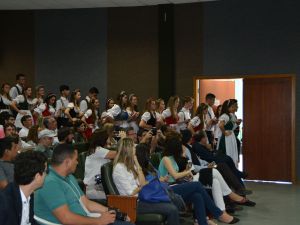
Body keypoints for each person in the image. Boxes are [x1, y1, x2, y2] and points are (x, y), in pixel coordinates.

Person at [34, 143, 133, 225]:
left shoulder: (68, 177)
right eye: (76, 159)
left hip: (85, 218)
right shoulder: (50, 183)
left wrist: (113, 211)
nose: (77, 163)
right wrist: (98, 221)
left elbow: (86, 203)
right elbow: (66, 218)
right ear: (67, 162)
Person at [113, 138, 181, 225]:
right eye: (133, 147)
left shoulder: (131, 164)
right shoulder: (119, 168)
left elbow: (141, 182)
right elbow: (130, 193)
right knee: (172, 209)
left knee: (171, 201)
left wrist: (137, 162)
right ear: (127, 150)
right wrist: (143, 185)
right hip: (132, 203)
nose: (135, 148)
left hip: (140, 199)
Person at [0, 151, 47, 225]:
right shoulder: (4, 203)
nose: (46, 175)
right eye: (46, 171)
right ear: (37, 176)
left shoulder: (28, 194)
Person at [84, 129, 117, 200]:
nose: (110, 139)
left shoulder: (99, 150)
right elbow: (119, 154)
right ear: (103, 139)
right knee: (116, 197)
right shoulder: (97, 150)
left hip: (99, 186)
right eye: (108, 137)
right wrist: (124, 140)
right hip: (92, 188)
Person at [217, 99, 240, 166]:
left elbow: (231, 128)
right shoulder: (225, 116)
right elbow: (221, 125)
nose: (236, 108)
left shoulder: (232, 115)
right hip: (226, 139)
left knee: (232, 152)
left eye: (236, 106)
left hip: (231, 136)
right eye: (234, 106)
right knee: (227, 152)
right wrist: (224, 132)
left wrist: (237, 124)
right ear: (228, 107)